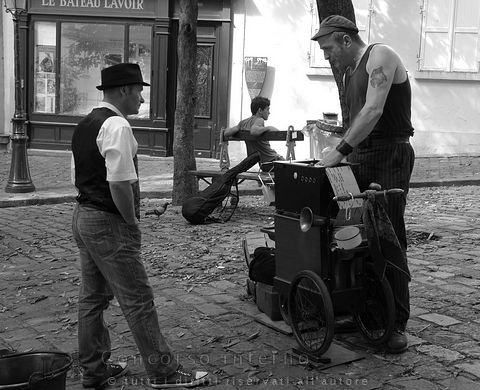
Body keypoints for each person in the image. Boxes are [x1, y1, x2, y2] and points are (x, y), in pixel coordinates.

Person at [71, 63, 209, 388]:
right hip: (108, 222)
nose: (142, 99)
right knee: (138, 299)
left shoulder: (86, 124)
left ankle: (93, 370)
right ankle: (165, 373)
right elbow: (119, 184)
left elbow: (80, 176)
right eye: (139, 91)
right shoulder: (116, 125)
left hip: (84, 216)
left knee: (91, 299)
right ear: (123, 91)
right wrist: (131, 220)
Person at [312, 15, 415, 353]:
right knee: (355, 234)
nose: (328, 56)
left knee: (387, 235)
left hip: (389, 155)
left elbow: (373, 111)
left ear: (344, 39)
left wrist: (340, 151)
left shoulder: (380, 55)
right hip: (362, 156)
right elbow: (359, 120)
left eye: (328, 49)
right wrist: (336, 140)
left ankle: (396, 322)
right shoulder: (349, 71)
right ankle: (368, 310)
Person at [224, 96, 285, 171]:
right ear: (260, 110)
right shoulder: (259, 120)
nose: (269, 112)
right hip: (272, 162)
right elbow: (254, 131)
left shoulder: (243, 123)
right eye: (267, 109)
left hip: (263, 164)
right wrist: (268, 128)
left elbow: (226, 133)